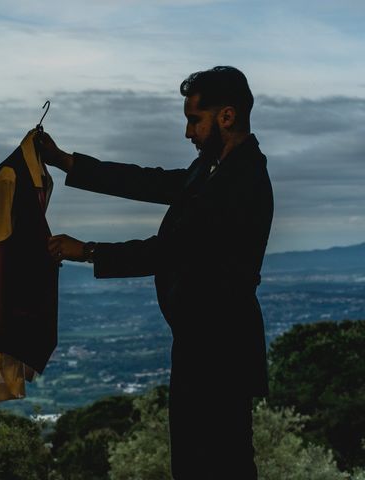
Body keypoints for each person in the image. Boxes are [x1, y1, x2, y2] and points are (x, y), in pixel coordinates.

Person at [36, 66, 273, 479]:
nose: (188, 132)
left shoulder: (243, 180)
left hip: (222, 349)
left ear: (227, 116)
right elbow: (148, 182)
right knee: (196, 461)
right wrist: (65, 161)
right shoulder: (211, 169)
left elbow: (173, 251)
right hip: (199, 341)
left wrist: (88, 251)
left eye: (194, 120)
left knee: (222, 461)